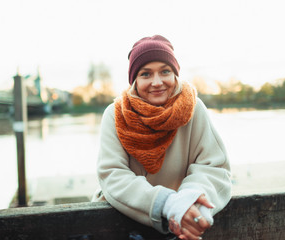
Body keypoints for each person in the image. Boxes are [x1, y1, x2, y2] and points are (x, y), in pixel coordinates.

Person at [92, 35, 232, 240]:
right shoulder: (115, 114)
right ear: (135, 80)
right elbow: (113, 175)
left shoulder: (194, 109)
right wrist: (166, 203)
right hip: (119, 221)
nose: (157, 82)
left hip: (179, 223)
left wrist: (190, 200)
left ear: (175, 75)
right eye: (146, 74)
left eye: (165, 71)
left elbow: (213, 167)